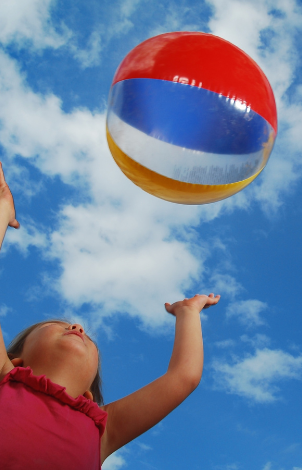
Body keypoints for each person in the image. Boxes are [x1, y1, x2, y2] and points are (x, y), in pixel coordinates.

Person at [0, 161, 220, 469]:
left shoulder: (104, 429)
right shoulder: (5, 377)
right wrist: (2, 211)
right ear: (18, 360)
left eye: (86, 336)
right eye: (58, 326)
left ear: (89, 394)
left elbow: (184, 377)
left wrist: (189, 311)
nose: (77, 327)